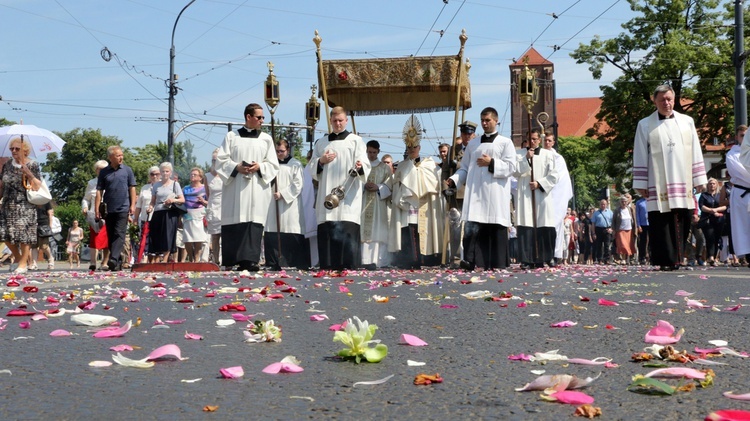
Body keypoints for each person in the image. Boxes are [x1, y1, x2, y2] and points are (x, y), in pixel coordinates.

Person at [633, 84, 707, 271]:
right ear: (654, 101)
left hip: (683, 180)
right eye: (662, 100)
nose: (666, 103)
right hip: (657, 182)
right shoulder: (644, 124)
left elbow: (696, 149)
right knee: (661, 221)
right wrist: (641, 182)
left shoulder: (687, 121)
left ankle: (678, 258)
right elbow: (640, 153)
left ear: (674, 100)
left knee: (683, 219)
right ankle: (665, 259)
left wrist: (699, 178)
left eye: (669, 99)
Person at [447, 107, 516, 270]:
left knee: (495, 226)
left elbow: (512, 167)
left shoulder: (506, 143)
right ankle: (470, 260)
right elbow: (464, 168)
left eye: (488, 120)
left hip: (495, 193)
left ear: (496, 121)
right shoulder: (473, 144)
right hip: (476, 193)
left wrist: (492, 162)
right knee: (473, 227)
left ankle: (497, 262)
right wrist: (454, 179)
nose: (484, 123)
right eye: (483, 120)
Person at [215, 103, 279, 271]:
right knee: (236, 219)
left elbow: (273, 164)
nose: (262, 120)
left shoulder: (266, 139)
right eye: (259, 117)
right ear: (248, 117)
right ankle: (232, 259)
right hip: (236, 186)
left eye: (263, 117)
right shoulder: (231, 137)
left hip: (257, 188)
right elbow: (221, 160)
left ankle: (250, 260)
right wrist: (236, 167)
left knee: (254, 221)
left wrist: (260, 167)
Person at [310, 106, 370, 270]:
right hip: (327, 193)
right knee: (328, 228)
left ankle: (348, 265)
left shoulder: (355, 141)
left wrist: (360, 166)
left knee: (347, 227)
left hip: (348, 195)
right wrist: (321, 161)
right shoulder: (322, 142)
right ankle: (328, 265)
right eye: (334, 121)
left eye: (340, 121)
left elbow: (365, 163)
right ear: (330, 121)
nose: (338, 124)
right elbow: (311, 168)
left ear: (346, 121)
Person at [386, 135, 443, 269]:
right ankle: (411, 260)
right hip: (408, 206)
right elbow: (395, 184)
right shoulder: (402, 166)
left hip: (424, 205)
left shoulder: (428, 165)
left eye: (414, 147)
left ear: (419, 147)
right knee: (409, 232)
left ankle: (426, 260)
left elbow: (434, 183)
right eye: (409, 147)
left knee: (424, 231)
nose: (412, 149)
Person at [514, 128, 558, 269]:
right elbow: (515, 171)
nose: (532, 142)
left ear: (540, 140)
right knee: (526, 227)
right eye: (529, 139)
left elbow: (554, 175)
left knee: (544, 225)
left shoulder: (547, 155)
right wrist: (526, 158)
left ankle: (545, 257)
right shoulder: (519, 154)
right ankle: (527, 260)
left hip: (541, 195)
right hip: (525, 196)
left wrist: (540, 183)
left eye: (535, 139)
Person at [0, 136, 44, 274]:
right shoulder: (7, 165)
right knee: (3, 234)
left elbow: (38, 186)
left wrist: (29, 173)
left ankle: (23, 263)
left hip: (25, 204)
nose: (13, 151)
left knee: (24, 236)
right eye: (12, 149)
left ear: (25, 151)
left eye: (17, 149)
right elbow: (2, 185)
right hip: (8, 203)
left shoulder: (32, 165)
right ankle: (19, 258)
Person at [264, 139, 309, 270]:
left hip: (290, 205)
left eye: (282, 151)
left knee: (291, 228)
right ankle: (273, 262)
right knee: (272, 229)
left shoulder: (295, 164)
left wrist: (283, 194)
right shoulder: (271, 165)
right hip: (272, 203)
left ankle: (293, 261)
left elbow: (298, 184)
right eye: (277, 151)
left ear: (288, 150)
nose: (279, 154)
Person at [94, 145, 137, 271]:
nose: (121, 157)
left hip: (123, 207)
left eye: (121, 155)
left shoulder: (127, 170)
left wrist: (133, 205)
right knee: (112, 234)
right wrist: (97, 209)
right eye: (118, 155)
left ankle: (113, 258)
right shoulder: (104, 172)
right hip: (109, 207)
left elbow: (132, 188)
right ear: (110, 157)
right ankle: (116, 263)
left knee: (120, 233)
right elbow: (99, 191)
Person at [360, 140, 392, 269]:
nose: (371, 155)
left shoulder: (384, 168)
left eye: (374, 152)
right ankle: (364, 260)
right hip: (363, 202)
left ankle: (379, 261)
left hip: (378, 204)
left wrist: (378, 187)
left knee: (378, 231)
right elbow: (355, 182)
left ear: (378, 151)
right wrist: (364, 185)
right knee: (364, 232)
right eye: (369, 152)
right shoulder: (362, 166)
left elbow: (390, 185)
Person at [543, 134, 573, 265]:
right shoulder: (538, 155)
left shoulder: (558, 159)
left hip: (555, 195)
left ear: (553, 143)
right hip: (541, 194)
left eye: (549, 140)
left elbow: (560, 178)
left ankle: (555, 254)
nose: (547, 143)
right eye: (545, 140)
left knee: (555, 224)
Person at [146, 162, 184, 263]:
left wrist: (173, 200)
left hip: (170, 213)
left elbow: (182, 199)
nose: (165, 173)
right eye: (163, 171)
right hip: (158, 212)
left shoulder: (175, 184)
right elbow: (153, 201)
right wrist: (150, 208)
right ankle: (158, 257)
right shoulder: (156, 185)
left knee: (168, 235)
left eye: (167, 171)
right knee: (156, 235)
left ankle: (166, 258)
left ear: (170, 172)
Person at [727, 125, 750, 265]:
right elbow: (744, 174)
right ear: (737, 137)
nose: (745, 138)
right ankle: (748, 255)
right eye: (742, 135)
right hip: (742, 193)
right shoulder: (732, 154)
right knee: (744, 226)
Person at [82, 160, 110, 271]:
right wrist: (85, 207)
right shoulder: (92, 183)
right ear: (96, 170)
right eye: (99, 169)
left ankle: (105, 262)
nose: (101, 171)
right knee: (94, 239)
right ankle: (93, 262)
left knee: (107, 240)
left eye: (104, 169)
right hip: (95, 215)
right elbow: (86, 198)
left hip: (108, 214)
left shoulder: (111, 181)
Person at [134, 166, 160, 263]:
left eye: (157, 174)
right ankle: (147, 262)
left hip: (158, 218)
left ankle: (156, 263)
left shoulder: (163, 187)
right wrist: (135, 219)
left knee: (156, 242)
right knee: (146, 242)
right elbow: (139, 206)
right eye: (152, 174)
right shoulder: (145, 188)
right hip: (145, 219)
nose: (154, 176)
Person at [182, 167, 209, 262]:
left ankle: (197, 259)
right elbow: (181, 201)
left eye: (195, 174)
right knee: (187, 239)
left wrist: (203, 201)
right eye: (191, 174)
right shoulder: (185, 188)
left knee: (198, 238)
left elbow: (209, 202)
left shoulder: (205, 188)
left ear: (200, 177)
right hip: (187, 214)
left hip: (199, 214)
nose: (192, 176)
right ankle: (191, 257)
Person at [698, 178, 725, 266]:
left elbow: (725, 206)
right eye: (710, 183)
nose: (712, 185)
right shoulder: (704, 195)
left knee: (717, 238)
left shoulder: (720, 195)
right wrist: (711, 211)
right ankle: (711, 257)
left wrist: (716, 210)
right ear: (707, 185)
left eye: (713, 183)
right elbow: (701, 206)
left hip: (718, 219)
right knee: (710, 238)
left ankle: (714, 257)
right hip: (707, 220)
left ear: (717, 185)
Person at [205, 150, 223, 265]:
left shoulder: (225, 175)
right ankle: (215, 260)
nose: (214, 162)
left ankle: (226, 260)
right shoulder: (207, 176)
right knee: (215, 236)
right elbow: (207, 194)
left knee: (226, 236)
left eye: (216, 160)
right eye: (213, 160)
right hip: (213, 206)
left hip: (225, 205)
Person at [612, 194, 636, 265]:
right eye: (622, 201)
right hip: (620, 230)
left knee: (628, 245)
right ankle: (623, 259)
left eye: (625, 201)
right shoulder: (617, 210)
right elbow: (613, 221)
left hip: (629, 230)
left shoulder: (630, 209)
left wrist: (636, 228)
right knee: (622, 245)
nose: (623, 203)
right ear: (620, 202)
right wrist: (613, 230)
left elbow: (633, 219)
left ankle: (627, 259)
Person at [31, 202, 55, 270]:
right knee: (34, 245)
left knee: (44, 246)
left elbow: (50, 214)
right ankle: (34, 263)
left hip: (44, 225)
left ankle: (51, 259)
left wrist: (50, 226)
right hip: (33, 224)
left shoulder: (46, 202)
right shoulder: (32, 201)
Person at [591, 199, 613, 264]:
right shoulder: (596, 213)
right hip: (598, 229)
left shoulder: (610, 212)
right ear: (600, 205)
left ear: (606, 205)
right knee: (599, 245)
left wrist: (611, 229)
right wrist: (593, 233)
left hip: (607, 229)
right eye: (602, 204)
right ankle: (600, 259)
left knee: (607, 245)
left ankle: (607, 259)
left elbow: (613, 222)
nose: (603, 205)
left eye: (604, 204)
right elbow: (593, 224)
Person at [634, 195, 649, 265]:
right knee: (643, 241)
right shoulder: (639, 202)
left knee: (652, 241)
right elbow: (637, 214)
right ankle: (642, 257)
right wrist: (638, 225)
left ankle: (651, 257)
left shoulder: (652, 201)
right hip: (643, 224)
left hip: (651, 223)